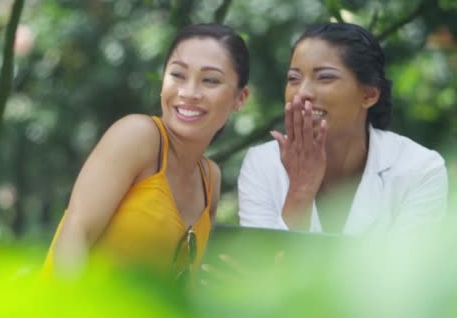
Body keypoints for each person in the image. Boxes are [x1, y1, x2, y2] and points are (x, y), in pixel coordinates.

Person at [43, 23, 250, 282]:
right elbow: (75, 236)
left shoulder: (211, 180)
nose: (189, 92)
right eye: (178, 75)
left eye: (210, 80)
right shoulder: (138, 136)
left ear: (240, 98)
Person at [238, 22, 447, 234]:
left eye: (325, 77)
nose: (302, 92)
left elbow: (408, 266)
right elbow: (260, 263)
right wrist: (300, 190)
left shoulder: (420, 168)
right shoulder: (262, 163)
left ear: (369, 95)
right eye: (294, 78)